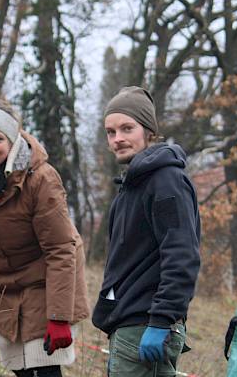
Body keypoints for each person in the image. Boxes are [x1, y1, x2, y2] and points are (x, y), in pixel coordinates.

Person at [0, 99, 89, 377]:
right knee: (21, 370)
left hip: (47, 280)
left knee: (44, 370)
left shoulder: (41, 180)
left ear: (12, 140)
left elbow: (61, 249)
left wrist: (59, 317)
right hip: (4, 283)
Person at [92, 86, 202, 376]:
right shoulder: (131, 186)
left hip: (147, 326)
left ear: (149, 130)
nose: (118, 139)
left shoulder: (166, 182)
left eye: (127, 128)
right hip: (128, 325)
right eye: (111, 132)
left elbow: (182, 256)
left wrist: (161, 321)